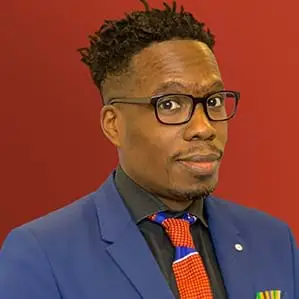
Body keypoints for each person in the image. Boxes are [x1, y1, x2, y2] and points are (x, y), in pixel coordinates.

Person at [0, 0, 298, 298]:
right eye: (169, 104)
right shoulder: (42, 254)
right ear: (114, 124)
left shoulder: (274, 241)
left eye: (214, 101)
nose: (203, 127)